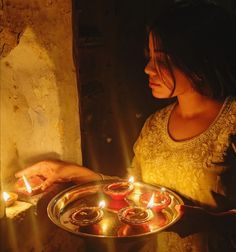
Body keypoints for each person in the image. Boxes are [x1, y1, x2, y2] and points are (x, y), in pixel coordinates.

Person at [16, 1, 236, 251]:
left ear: (199, 61)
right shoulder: (155, 126)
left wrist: (211, 222)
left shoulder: (231, 122)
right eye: (149, 57)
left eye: (161, 60)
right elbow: (133, 192)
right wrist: (71, 172)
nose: (148, 69)